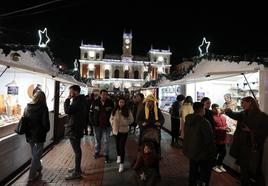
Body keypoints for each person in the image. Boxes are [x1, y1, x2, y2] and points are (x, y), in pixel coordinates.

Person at [225, 96, 268, 186]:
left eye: (243, 102)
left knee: (255, 170)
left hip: (253, 147)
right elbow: (234, 115)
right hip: (242, 146)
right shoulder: (244, 113)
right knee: (244, 169)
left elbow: (265, 131)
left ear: (250, 103)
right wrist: (228, 111)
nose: (241, 105)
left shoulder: (262, 116)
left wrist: (250, 130)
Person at [183, 102, 216, 186]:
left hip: (192, 150)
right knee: (204, 173)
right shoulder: (204, 122)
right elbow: (209, 140)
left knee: (193, 171)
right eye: (204, 108)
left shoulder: (188, 119)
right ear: (201, 109)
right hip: (202, 152)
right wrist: (213, 153)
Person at [136, 94, 165, 179]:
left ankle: (156, 173)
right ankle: (144, 173)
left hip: (155, 135)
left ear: (153, 102)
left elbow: (162, 119)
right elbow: (137, 120)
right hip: (145, 135)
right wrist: (142, 123)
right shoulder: (142, 110)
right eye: (148, 101)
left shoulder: (157, 110)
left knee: (156, 154)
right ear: (146, 102)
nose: (149, 103)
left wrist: (159, 123)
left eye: (151, 102)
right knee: (144, 154)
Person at [24, 91, 50, 182]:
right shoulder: (43, 108)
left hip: (29, 134)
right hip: (39, 134)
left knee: (34, 153)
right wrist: (46, 130)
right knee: (36, 154)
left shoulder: (28, 106)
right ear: (43, 98)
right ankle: (31, 175)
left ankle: (38, 167)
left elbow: (24, 119)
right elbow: (45, 123)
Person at [64, 85, 87, 180]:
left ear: (76, 91)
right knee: (77, 150)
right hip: (77, 128)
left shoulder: (77, 101)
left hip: (74, 129)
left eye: (71, 91)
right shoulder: (80, 100)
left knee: (77, 151)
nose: (69, 93)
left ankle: (77, 172)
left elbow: (67, 110)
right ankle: (77, 168)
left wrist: (67, 100)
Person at [110, 97, 134, 172]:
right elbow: (110, 118)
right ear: (118, 103)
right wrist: (113, 123)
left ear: (124, 103)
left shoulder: (128, 110)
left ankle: (121, 164)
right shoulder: (114, 110)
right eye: (120, 102)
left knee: (122, 146)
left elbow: (131, 120)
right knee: (117, 145)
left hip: (124, 131)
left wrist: (124, 123)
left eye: (122, 102)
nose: (121, 103)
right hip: (115, 131)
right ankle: (118, 156)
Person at [91, 89, 114, 163]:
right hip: (97, 125)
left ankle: (106, 155)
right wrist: (92, 122)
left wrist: (112, 123)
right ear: (100, 95)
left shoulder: (110, 103)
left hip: (107, 125)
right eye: (103, 94)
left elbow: (113, 114)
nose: (104, 96)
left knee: (107, 141)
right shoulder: (95, 102)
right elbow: (90, 113)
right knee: (97, 140)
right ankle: (97, 152)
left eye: (106, 95)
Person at [211, 103, 228, 173]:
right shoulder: (212, 117)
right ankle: (214, 165)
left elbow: (225, 124)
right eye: (216, 108)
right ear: (213, 109)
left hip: (223, 138)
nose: (218, 109)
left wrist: (227, 127)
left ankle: (219, 164)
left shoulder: (223, 117)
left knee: (223, 152)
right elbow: (212, 128)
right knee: (215, 153)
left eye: (218, 108)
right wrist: (221, 128)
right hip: (216, 138)